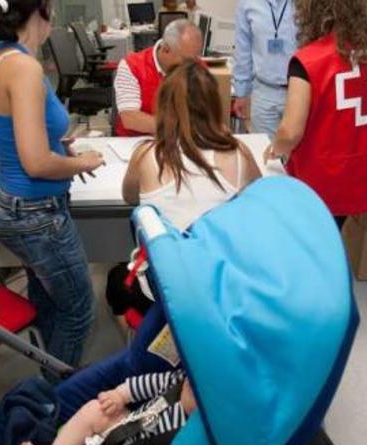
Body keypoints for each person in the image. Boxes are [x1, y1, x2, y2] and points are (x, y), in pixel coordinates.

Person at [0, 0, 102, 370]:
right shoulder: (25, 68)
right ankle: (55, 400)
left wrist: (58, 146)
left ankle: (48, 372)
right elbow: (37, 163)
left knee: (47, 299)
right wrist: (81, 163)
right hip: (36, 213)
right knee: (78, 310)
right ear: (40, 12)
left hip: (10, 202)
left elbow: (10, 134)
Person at [106, 60, 262, 328]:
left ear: (164, 106)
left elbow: (130, 197)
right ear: (214, 104)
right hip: (220, 288)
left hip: (162, 291)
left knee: (115, 281)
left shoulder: (146, 155)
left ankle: (142, 351)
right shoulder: (238, 154)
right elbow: (258, 201)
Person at [266, 0, 367, 228]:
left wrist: (275, 148)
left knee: (312, 242)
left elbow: (290, 132)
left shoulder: (308, 61)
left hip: (320, 183)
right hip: (363, 176)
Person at [20, 370, 196, 445]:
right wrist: (118, 396)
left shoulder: (205, 432)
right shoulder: (177, 380)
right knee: (95, 410)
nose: (191, 383)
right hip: (124, 428)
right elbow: (139, 386)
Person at [114, 20, 203, 137]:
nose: (191, 65)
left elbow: (203, 112)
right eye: (185, 60)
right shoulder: (132, 66)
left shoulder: (196, 65)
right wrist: (180, 127)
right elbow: (130, 118)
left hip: (180, 141)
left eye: (195, 57)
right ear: (166, 49)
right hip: (135, 141)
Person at [232, 0, 298, 138]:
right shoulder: (247, 3)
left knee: (298, 156)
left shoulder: (306, 4)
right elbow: (243, 49)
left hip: (299, 91)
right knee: (267, 154)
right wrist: (241, 92)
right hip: (264, 93)